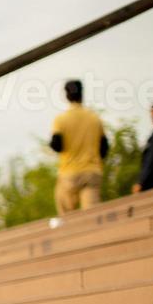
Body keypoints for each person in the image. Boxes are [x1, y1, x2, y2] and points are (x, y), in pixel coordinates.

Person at [49, 79, 109, 213]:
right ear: (82, 94)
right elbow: (104, 148)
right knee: (91, 215)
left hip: (69, 174)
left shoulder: (61, 120)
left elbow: (57, 145)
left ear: (66, 95)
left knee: (66, 215)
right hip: (92, 172)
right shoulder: (94, 118)